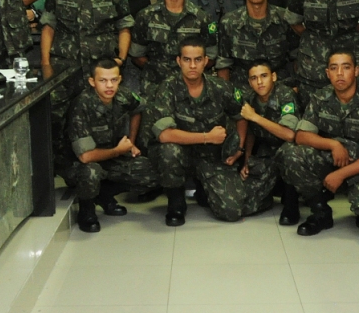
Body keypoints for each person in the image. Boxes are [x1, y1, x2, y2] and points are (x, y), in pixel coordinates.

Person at [41, 0, 132, 181]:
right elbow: (49, 26)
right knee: (56, 122)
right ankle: (64, 176)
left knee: (101, 126)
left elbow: (124, 26)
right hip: (65, 69)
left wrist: (120, 60)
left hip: (99, 72)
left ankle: (98, 180)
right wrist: (46, 63)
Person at [279, 47, 359, 235]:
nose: (340, 74)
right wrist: (333, 145)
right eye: (334, 68)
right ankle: (320, 211)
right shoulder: (320, 97)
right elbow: (301, 136)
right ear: (327, 73)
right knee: (290, 153)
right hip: (331, 159)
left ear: (356, 71)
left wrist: (341, 175)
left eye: (346, 67)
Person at [149, 36, 259, 226]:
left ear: (206, 61)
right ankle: (176, 202)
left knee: (232, 211)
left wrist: (239, 148)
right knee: (169, 151)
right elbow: (165, 134)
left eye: (198, 60)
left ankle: (204, 189)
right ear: (178, 61)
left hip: (211, 157)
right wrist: (207, 137)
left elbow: (241, 115)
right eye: (187, 59)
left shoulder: (221, 87)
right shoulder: (167, 88)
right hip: (180, 155)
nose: (192, 65)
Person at [68, 58, 160, 233]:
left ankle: (104, 194)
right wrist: (118, 150)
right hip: (82, 164)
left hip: (112, 156)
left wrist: (131, 141)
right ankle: (87, 212)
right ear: (92, 82)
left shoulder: (123, 95)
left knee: (152, 172)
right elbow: (85, 156)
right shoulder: (82, 105)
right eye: (103, 80)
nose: (109, 85)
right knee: (91, 173)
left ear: (120, 79)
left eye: (114, 80)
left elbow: (138, 109)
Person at [130, 0, 217, 96]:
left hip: (190, 90)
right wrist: (157, 70)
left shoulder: (202, 18)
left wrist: (190, 72)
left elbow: (211, 57)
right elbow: (136, 55)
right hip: (155, 89)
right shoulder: (146, 16)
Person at [239, 59, 301, 225]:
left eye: (264, 76)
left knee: (289, 153)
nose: (259, 82)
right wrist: (247, 161)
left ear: (273, 77)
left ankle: (291, 203)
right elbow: (251, 132)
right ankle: (272, 190)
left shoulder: (285, 95)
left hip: (290, 153)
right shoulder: (250, 98)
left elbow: (289, 135)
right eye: (254, 78)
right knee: (244, 205)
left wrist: (255, 117)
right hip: (267, 152)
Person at [217, 0, 294, 89]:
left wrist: (293, 88)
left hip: (278, 88)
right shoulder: (229, 22)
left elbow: (295, 56)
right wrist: (227, 96)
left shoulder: (284, 19)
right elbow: (223, 64)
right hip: (243, 88)